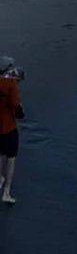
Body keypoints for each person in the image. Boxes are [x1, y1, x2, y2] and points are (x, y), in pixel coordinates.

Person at [0, 56, 23, 204]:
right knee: (11, 158)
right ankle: (6, 192)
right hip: (8, 127)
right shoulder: (11, 84)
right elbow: (16, 106)